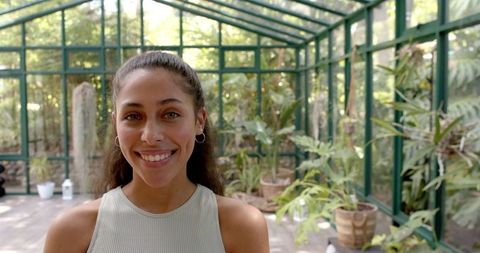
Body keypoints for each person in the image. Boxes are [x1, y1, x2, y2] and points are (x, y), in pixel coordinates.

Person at [44, 51, 269, 253]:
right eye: (133, 116)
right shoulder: (71, 232)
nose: (151, 136)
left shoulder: (241, 226)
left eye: (170, 114)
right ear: (116, 124)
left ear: (199, 121)